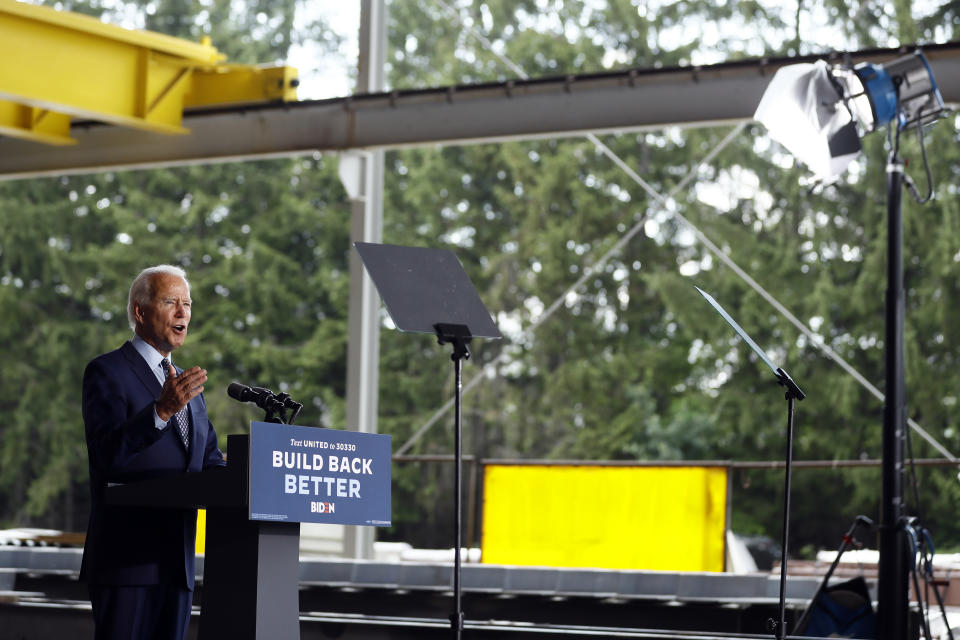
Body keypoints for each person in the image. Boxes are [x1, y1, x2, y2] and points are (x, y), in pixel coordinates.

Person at [81, 264, 225, 640]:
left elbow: (209, 464)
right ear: (140, 311)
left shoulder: (187, 388)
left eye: (188, 304)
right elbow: (105, 456)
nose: (183, 313)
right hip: (126, 563)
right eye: (170, 302)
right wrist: (160, 411)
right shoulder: (107, 372)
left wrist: (255, 471)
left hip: (176, 567)